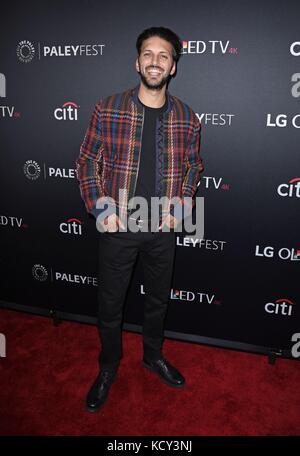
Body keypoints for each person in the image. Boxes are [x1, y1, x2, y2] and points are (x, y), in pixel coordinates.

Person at [75, 26, 203, 412]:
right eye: (148, 54)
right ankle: (108, 366)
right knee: (110, 305)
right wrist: (101, 207)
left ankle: (152, 356)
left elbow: (194, 168)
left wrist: (181, 205)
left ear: (174, 67)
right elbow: (86, 162)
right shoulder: (108, 106)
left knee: (158, 302)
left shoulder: (187, 116)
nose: (155, 62)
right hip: (119, 227)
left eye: (164, 56)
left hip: (161, 228)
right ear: (137, 62)